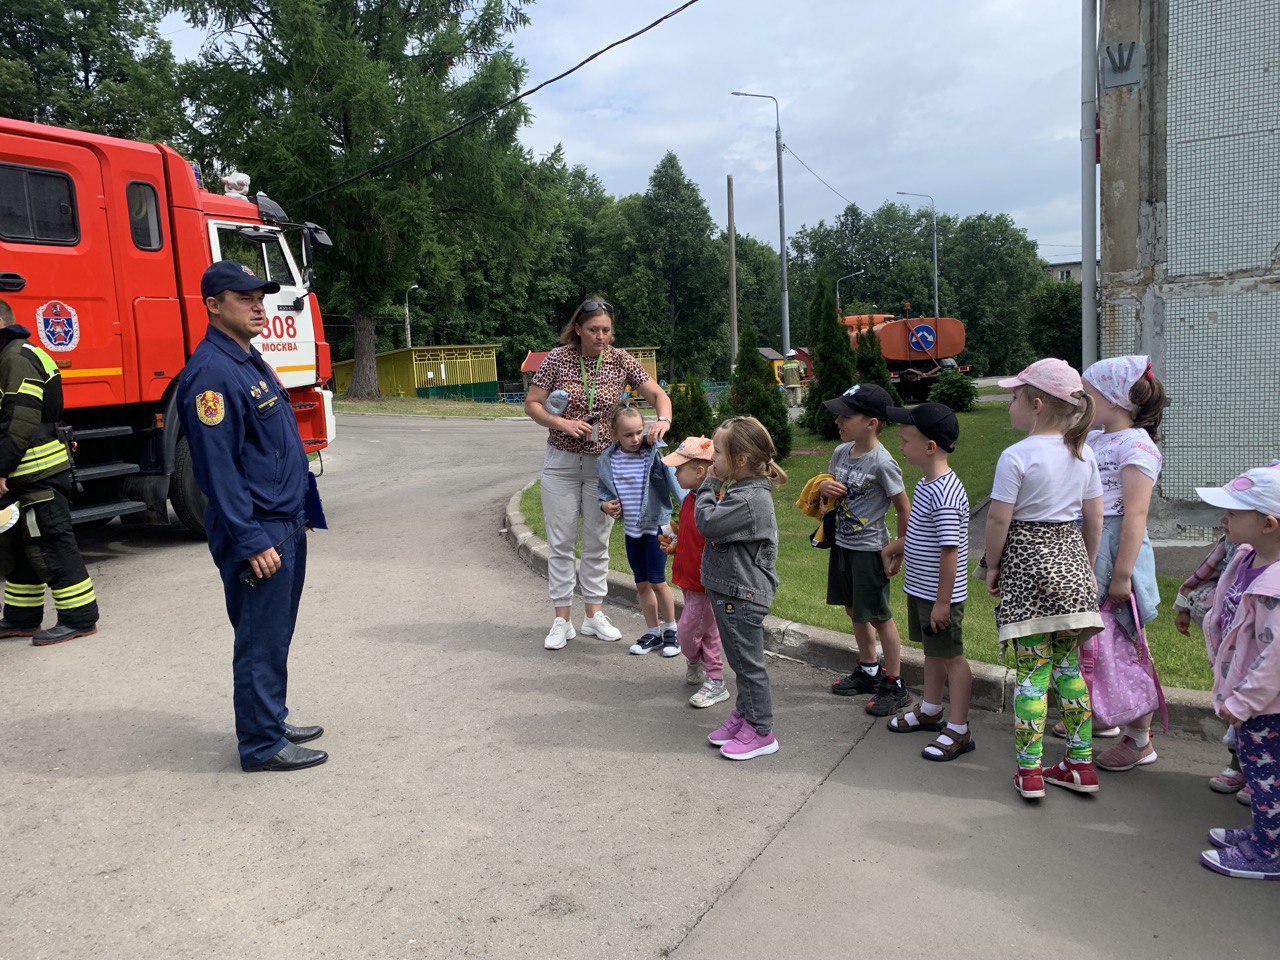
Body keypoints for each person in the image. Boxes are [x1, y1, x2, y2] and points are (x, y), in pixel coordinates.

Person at [176, 261, 326, 773]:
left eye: (259, 296)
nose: (258, 304)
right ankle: (261, 745)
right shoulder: (212, 375)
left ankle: (271, 716)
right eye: (243, 298)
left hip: (280, 522)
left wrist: (300, 508)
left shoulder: (246, 358)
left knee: (276, 630)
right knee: (259, 638)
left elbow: (274, 444)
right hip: (258, 531)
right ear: (214, 306)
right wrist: (249, 538)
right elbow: (218, 472)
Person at [524, 298, 673, 651]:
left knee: (597, 541)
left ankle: (593, 615)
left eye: (606, 330)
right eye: (593, 330)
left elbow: (656, 393)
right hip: (561, 462)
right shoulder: (557, 359)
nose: (601, 336)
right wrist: (561, 422)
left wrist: (663, 419)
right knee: (560, 542)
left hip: (604, 468)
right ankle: (562, 619)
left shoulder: (621, 360)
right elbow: (532, 404)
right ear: (578, 328)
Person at [986, 359, 1104, 798]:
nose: (1009, 404)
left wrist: (993, 564)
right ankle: (1080, 762)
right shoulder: (1084, 452)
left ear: (1036, 405)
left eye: (1014, 397)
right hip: (1072, 565)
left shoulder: (1016, 456)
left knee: (1032, 672)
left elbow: (999, 519)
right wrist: (1086, 565)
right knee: (1069, 667)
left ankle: (1030, 771)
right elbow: (1095, 515)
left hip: (1028, 567)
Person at [1079, 355, 1169, 770]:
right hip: (1093, 546)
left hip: (1118, 554)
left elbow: (1134, 515)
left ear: (1114, 401)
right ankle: (1108, 715)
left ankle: (1139, 739)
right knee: (1098, 642)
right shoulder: (1097, 439)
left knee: (1127, 645)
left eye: (1090, 393)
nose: (1083, 399)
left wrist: (1122, 576)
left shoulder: (1137, 445)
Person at [1194, 464, 1280, 881]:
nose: (1223, 519)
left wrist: (1242, 701)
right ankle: (1265, 835)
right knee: (1258, 770)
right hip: (1249, 695)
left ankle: (1269, 853)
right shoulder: (1246, 556)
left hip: (1267, 705)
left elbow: (1277, 659)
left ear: (1267, 524)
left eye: (1233, 511)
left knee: (1269, 781)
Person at [0, 297, 99, 646]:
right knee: (20, 545)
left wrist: (0, 469)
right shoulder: (11, 355)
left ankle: (79, 618)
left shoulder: (15, 358)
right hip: (23, 473)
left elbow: (20, 418)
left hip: (36, 471)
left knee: (51, 543)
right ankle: (21, 618)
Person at [882, 402, 973, 761]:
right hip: (922, 591)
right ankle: (932, 710)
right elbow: (923, 535)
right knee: (933, 654)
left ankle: (959, 729)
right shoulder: (926, 485)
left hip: (939, 597)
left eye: (906, 440)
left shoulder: (946, 494)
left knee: (952, 657)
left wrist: (942, 602)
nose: (901, 446)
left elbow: (950, 552)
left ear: (930, 446)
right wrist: (896, 545)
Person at [697, 416, 787, 760]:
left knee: (748, 665)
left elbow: (707, 523)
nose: (712, 459)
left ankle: (761, 730)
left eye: (717, 452)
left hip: (742, 595)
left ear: (741, 460)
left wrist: (707, 485)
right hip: (733, 592)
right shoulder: (743, 490)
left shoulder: (749, 500)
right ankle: (745, 713)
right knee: (738, 659)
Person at [821, 384, 913, 717]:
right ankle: (869, 669)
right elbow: (827, 495)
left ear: (871, 423)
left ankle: (895, 682)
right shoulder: (841, 453)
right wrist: (823, 486)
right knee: (853, 609)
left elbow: (903, 507)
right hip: (843, 545)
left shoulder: (883, 463)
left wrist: (898, 548)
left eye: (846, 416)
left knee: (879, 616)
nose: (838, 422)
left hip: (870, 549)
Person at [597, 404, 684, 656]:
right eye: (627, 434)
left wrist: (692, 507)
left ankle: (671, 630)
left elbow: (675, 481)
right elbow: (603, 492)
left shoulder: (652, 454)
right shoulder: (608, 460)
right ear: (614, 434)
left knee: (658, 581)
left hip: (657, 527)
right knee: (642, 584)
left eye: (638, 432)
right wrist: (604, 505)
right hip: (632, 532)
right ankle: (653, 632)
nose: (635, 439)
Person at [1174, 534, 1246, 795]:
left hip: (1264, 649)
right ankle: (1240, 764)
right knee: (1234, 700)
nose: (1225, 520)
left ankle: (1264, 773)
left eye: (1233, 513)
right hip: (1232, 645)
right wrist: (1185, 605)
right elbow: (1204, 573)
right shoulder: (1232, 541)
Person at [659, 436, 727, 708]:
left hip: (705, 582)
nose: (674, 473)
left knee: (688, 631)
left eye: (679, 468)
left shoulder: (714, 505)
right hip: (689, 578)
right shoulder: (690, 499)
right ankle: (708, 672)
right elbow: (691, 534)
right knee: (705, 629)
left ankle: (713, 678)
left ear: (700, 472)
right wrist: (676, 543)